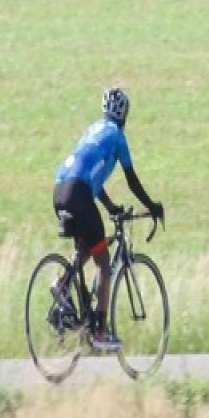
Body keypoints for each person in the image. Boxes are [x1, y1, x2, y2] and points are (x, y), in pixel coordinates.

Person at [52, 87, 164, 351]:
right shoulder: (117, 136)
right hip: (79, 193)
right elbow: (132, 179)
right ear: (125, 114)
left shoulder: (94, 130)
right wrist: (152, 206)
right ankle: (100, 331)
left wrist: (110, 206)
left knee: (88, 245)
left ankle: (62, 284)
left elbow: (90, 177)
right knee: (103, 261)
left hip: (59, 190)